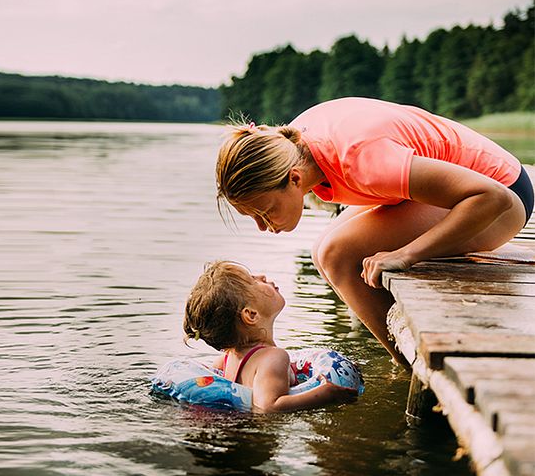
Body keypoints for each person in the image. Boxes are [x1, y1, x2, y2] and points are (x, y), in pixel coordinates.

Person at [215, 97, 533, 366]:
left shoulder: (362, 160)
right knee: (322, 250)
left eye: (264, 211)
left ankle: (414, 366)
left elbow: (493, 197)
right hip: (462, 191)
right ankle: (400, 356)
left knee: (336, 253)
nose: (262, 225)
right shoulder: (293, 145)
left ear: (295, 180)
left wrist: (408, 254)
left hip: (502, 201)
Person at [183, 260, 359, 413]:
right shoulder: (274, 357)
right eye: (252, 280)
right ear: (251, 315)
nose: (262, 276)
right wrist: (325, 394)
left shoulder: (225, 360)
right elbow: (269, 406)